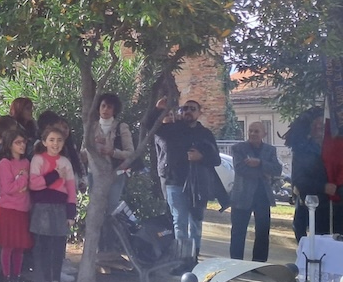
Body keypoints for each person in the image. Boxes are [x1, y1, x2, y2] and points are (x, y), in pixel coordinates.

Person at [144, 97, 222, 267]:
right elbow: (149, 126)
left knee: (195, 223)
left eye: (193, 108)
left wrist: (201, 157)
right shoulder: (171, 129)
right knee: (179, 223)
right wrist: (158, 109)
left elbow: (216, 159)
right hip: (175, 182)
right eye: (185, 108)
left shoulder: (205, 134)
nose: (188, 111)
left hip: (198, 185)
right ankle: (182, 261)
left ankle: (193, 260)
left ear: (199, 113)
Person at [29, 125, 77, 282]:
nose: (55, 144)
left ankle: (56, 279)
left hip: (60, 209)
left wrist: (71, 213)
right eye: (51, 140)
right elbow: (34, 184)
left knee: (58, 246)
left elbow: (71, 189)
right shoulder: (38, 159)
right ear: (44, 142)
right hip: (42, 208)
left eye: (59, 140)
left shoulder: (65, 162)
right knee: (44, 246)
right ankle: (46, 281)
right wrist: (55, 175)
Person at [286, 107, 342, 241]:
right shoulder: (302, 151)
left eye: (322, 123)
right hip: (315, 207)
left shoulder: (338, 148)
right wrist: (323, 187)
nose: (319, 126)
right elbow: (299, 180)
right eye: (315, 123)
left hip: (338, 206)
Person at [229, 122, 282, 262]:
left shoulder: (270, 150)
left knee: (263, 231)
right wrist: (264, 173)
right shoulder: (238, 148)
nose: (252, 134)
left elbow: (277, 169)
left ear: (264, 133)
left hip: (262, 195)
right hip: (242, 195)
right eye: (250, 131)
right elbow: (240, 169)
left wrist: (259, 163)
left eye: (256, 131)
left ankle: (259, 263)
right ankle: (235, 262)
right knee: (238, 231)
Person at [0, 128, 33, 282]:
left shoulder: (26, 163)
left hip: (23, 208)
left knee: (20, 247)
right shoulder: (4, 163)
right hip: (8, 209)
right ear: (10, 144)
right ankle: (7, 278)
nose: (22, 145)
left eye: (23, 142)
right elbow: (8, 188)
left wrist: (22, 180)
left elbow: (28, 185)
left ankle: (16, 276)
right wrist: (22, 179)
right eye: (18, 142)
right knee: (8, 246)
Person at [81, 93, 134, 213]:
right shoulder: (91, 127)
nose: (105, 109)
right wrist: (92, 146)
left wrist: (112, 152)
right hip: (94, 174)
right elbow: (83, 154)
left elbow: (130, 153)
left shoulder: (122, 127)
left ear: (114, 110)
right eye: (103, 106)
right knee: (95, 209)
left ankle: (109, 231)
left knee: (111, 207)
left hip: (115, 173)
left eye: (109, 107)